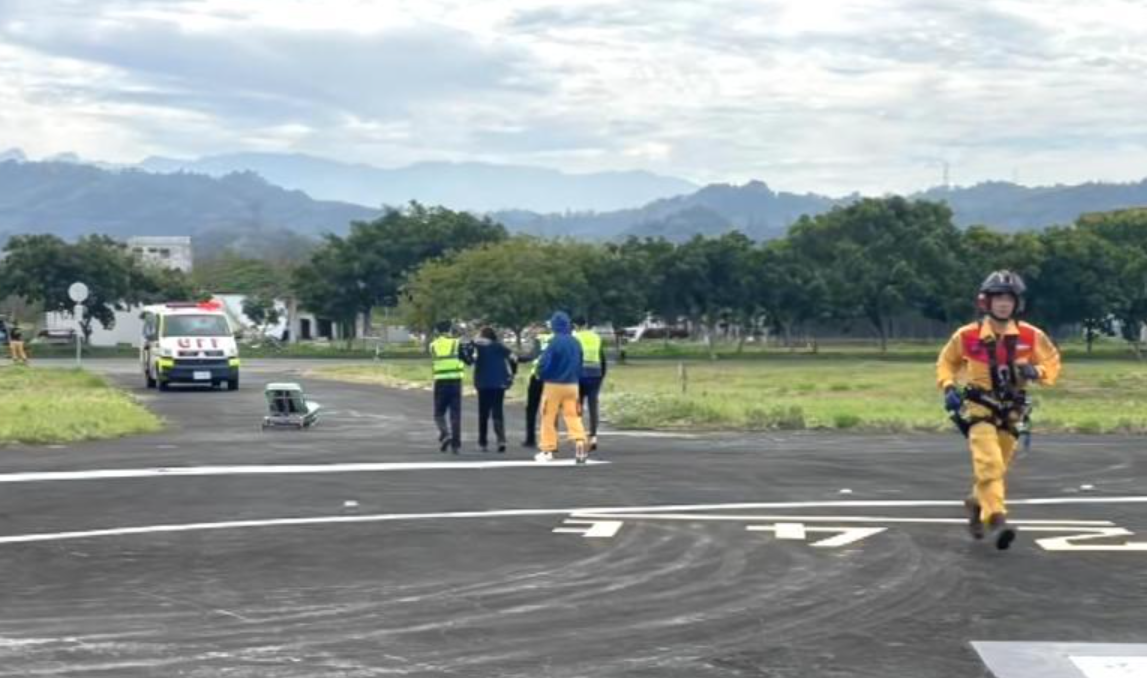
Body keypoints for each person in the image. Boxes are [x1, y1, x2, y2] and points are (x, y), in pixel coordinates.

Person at [936, 270, 1061, 550]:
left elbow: (1053, 362)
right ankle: (996, 519)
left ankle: (974, 503)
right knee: (989, 463)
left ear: (1018, 303)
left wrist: (1037, 369)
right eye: (998, 298)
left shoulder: (1032, 335)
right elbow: (946, 362)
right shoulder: (966, 335)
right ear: (986, 302)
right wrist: (948, 387)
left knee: (997, 467)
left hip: (1013, 412)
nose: (1004, 303)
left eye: (1009, 298)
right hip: (979, 408)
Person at [536, 311, 589, 464]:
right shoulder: (575, 342)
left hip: (553, 384)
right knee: (573, 416)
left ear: (554, 326)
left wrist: (541, 374)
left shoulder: (554, 342)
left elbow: (545, 362)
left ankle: (548, 449)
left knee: (548, 417)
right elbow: (580, 362)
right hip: (572, 385)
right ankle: (579, 442)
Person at [468, 326, 517, 453]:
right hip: (499, 383)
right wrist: (512, 374)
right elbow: (514, 357)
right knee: (497, 411)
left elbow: (469, 358)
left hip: (482, 383)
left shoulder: (477, 346)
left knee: (483, 414)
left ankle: (482, 442)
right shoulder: (498, 346)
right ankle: (501, 440)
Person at [429, 321, 471, 454]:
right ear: (450, 330)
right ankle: (456, 445)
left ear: (437, 331)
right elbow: (468, 360)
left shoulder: (432, 346)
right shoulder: (456, 343)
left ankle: (445, 433)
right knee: (455, 415)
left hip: (440, 382)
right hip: (455, 382)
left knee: (439, 413)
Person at [573, 316, 607, 452]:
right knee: (593, 406)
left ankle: (579, 436)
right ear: (586, 324)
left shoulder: (575, 337)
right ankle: (593, 436)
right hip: (595, 374)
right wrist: (602, 375)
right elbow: (602, 358)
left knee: (577, 405)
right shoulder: (596, 337)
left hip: (580, 374)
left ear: (575, 325)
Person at [520, 321, 553, 449]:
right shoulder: (555, 339)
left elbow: (532, 356)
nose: (533, 330)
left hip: (538, 378)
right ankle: (550, 438)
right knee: (549, 410)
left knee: (531, 409)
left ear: (541, 328)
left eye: (534, 327)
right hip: (552, 379)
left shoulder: (540, 340)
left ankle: (530, 439)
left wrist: (517, 358)